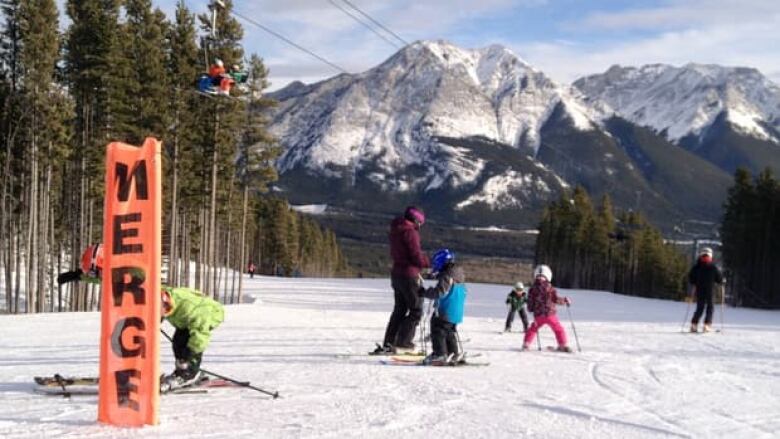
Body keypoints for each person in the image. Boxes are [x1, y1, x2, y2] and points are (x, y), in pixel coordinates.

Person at [373, 206, 430, 354]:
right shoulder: (410, 233)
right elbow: (415, 255)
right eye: (420, 224)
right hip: (409, 275)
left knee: (399, 310)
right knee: (416, 310)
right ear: (416, 220)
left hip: (397, 274)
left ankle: (389, 343)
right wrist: (428, 263)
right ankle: (404, 343)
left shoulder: (396, 229)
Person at [160, 287, 225, 392]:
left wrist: (190, 352)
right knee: (177, 342)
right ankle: (182, 370)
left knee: (189, 344)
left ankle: (190, 373)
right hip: (184, 320)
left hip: (210, 314)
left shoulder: (191, 309)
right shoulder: (161, 296)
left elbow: (201, 334)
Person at [418, 248, 467, 365]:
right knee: (449, 331)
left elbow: (439, 292)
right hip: (456, 311)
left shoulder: (447, 276)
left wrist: (424, 292)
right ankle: (453, 353)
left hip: (446, 310)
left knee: (438, 328)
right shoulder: (458, 275)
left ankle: (440, 354)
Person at [522, 265, 572, 352]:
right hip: (550, 314)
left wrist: (531, 309)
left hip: (539, 315)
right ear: (548, 275)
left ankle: (526, 344)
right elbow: (556, 299)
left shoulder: (532, 289)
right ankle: (563, 344)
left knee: (533, 329)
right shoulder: (550, 288)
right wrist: (565, 300)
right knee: (558, 329)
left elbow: (530, 302)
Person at [688, 247, 724, 333]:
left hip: (699, 290)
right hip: (710, 290)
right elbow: (719, 279)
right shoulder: (713, 267)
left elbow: (691, 277)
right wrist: (723, 281)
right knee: (710, 307)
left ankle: (694, 325)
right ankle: (706, 325)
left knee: (700, 307)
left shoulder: (696, 267)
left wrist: (694, 282)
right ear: (711, 255)